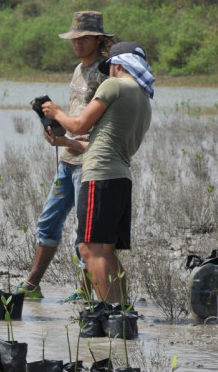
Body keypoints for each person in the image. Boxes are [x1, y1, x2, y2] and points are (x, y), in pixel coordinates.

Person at [42, 41, 153, 303]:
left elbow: (79, 124)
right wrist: (67, 143)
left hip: (100, 176)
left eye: (110, 67)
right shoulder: (143, 98)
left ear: (117, 65)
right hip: (120, 177)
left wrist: (56, 112)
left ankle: (106, 310)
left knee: (89, 248)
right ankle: (120, 312)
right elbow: (100, 142)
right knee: (106, 251)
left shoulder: (113, 85)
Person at [15, 11, 113, 300]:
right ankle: (32, 285)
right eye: (75, 38)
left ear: (98, 39)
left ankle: (86, 292)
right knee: (48, 221)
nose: (78, 43)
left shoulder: (104, 74)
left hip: (89, 160)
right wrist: (57, 131)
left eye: (84, 38)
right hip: (68, 158)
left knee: (84, 233)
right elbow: (75, 114)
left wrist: (68, 134)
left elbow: (97, 121)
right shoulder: (77, 70)